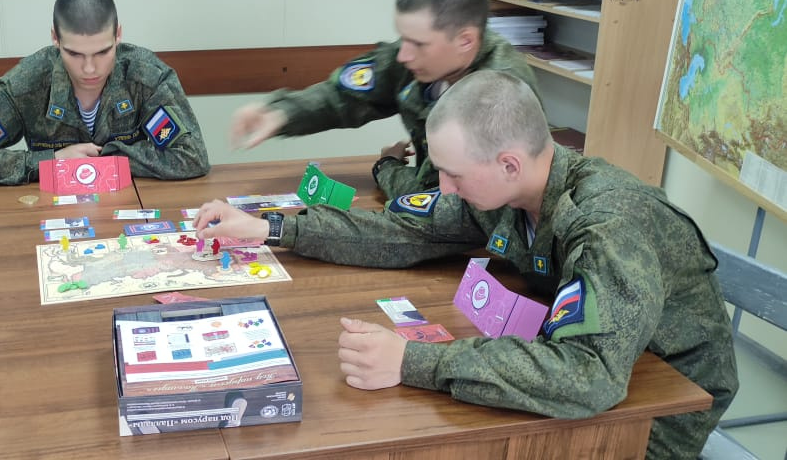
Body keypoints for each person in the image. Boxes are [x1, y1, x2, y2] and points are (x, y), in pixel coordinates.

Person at [195, 70, 737, 458]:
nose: (445, 188)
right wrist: (272, 227)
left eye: (454, 174)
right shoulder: (506, 189)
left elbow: (588, 377)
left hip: (662, 406)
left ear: (509, 164)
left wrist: (413, 362)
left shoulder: (609, 226)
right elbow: (402, 230)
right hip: (609, 363)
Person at [228, 0, 537, 198]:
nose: (403, 55)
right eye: (403, 38)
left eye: (418, 43)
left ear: (465, 41)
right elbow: (344, 95)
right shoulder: (421, 60)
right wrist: (282, 113)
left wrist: (386, 167)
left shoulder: (500, 95)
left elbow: (442, 202)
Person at [0, 0, 210, 186]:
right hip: (51, 217)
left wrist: (111, 159)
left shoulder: (146, 76)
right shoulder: (26, 84)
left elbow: (192, 157)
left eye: (102, 52)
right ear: (55, 38)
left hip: (128, 210)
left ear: (118, 35)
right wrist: (51, 162)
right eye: (75, 54)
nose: (90, 68)